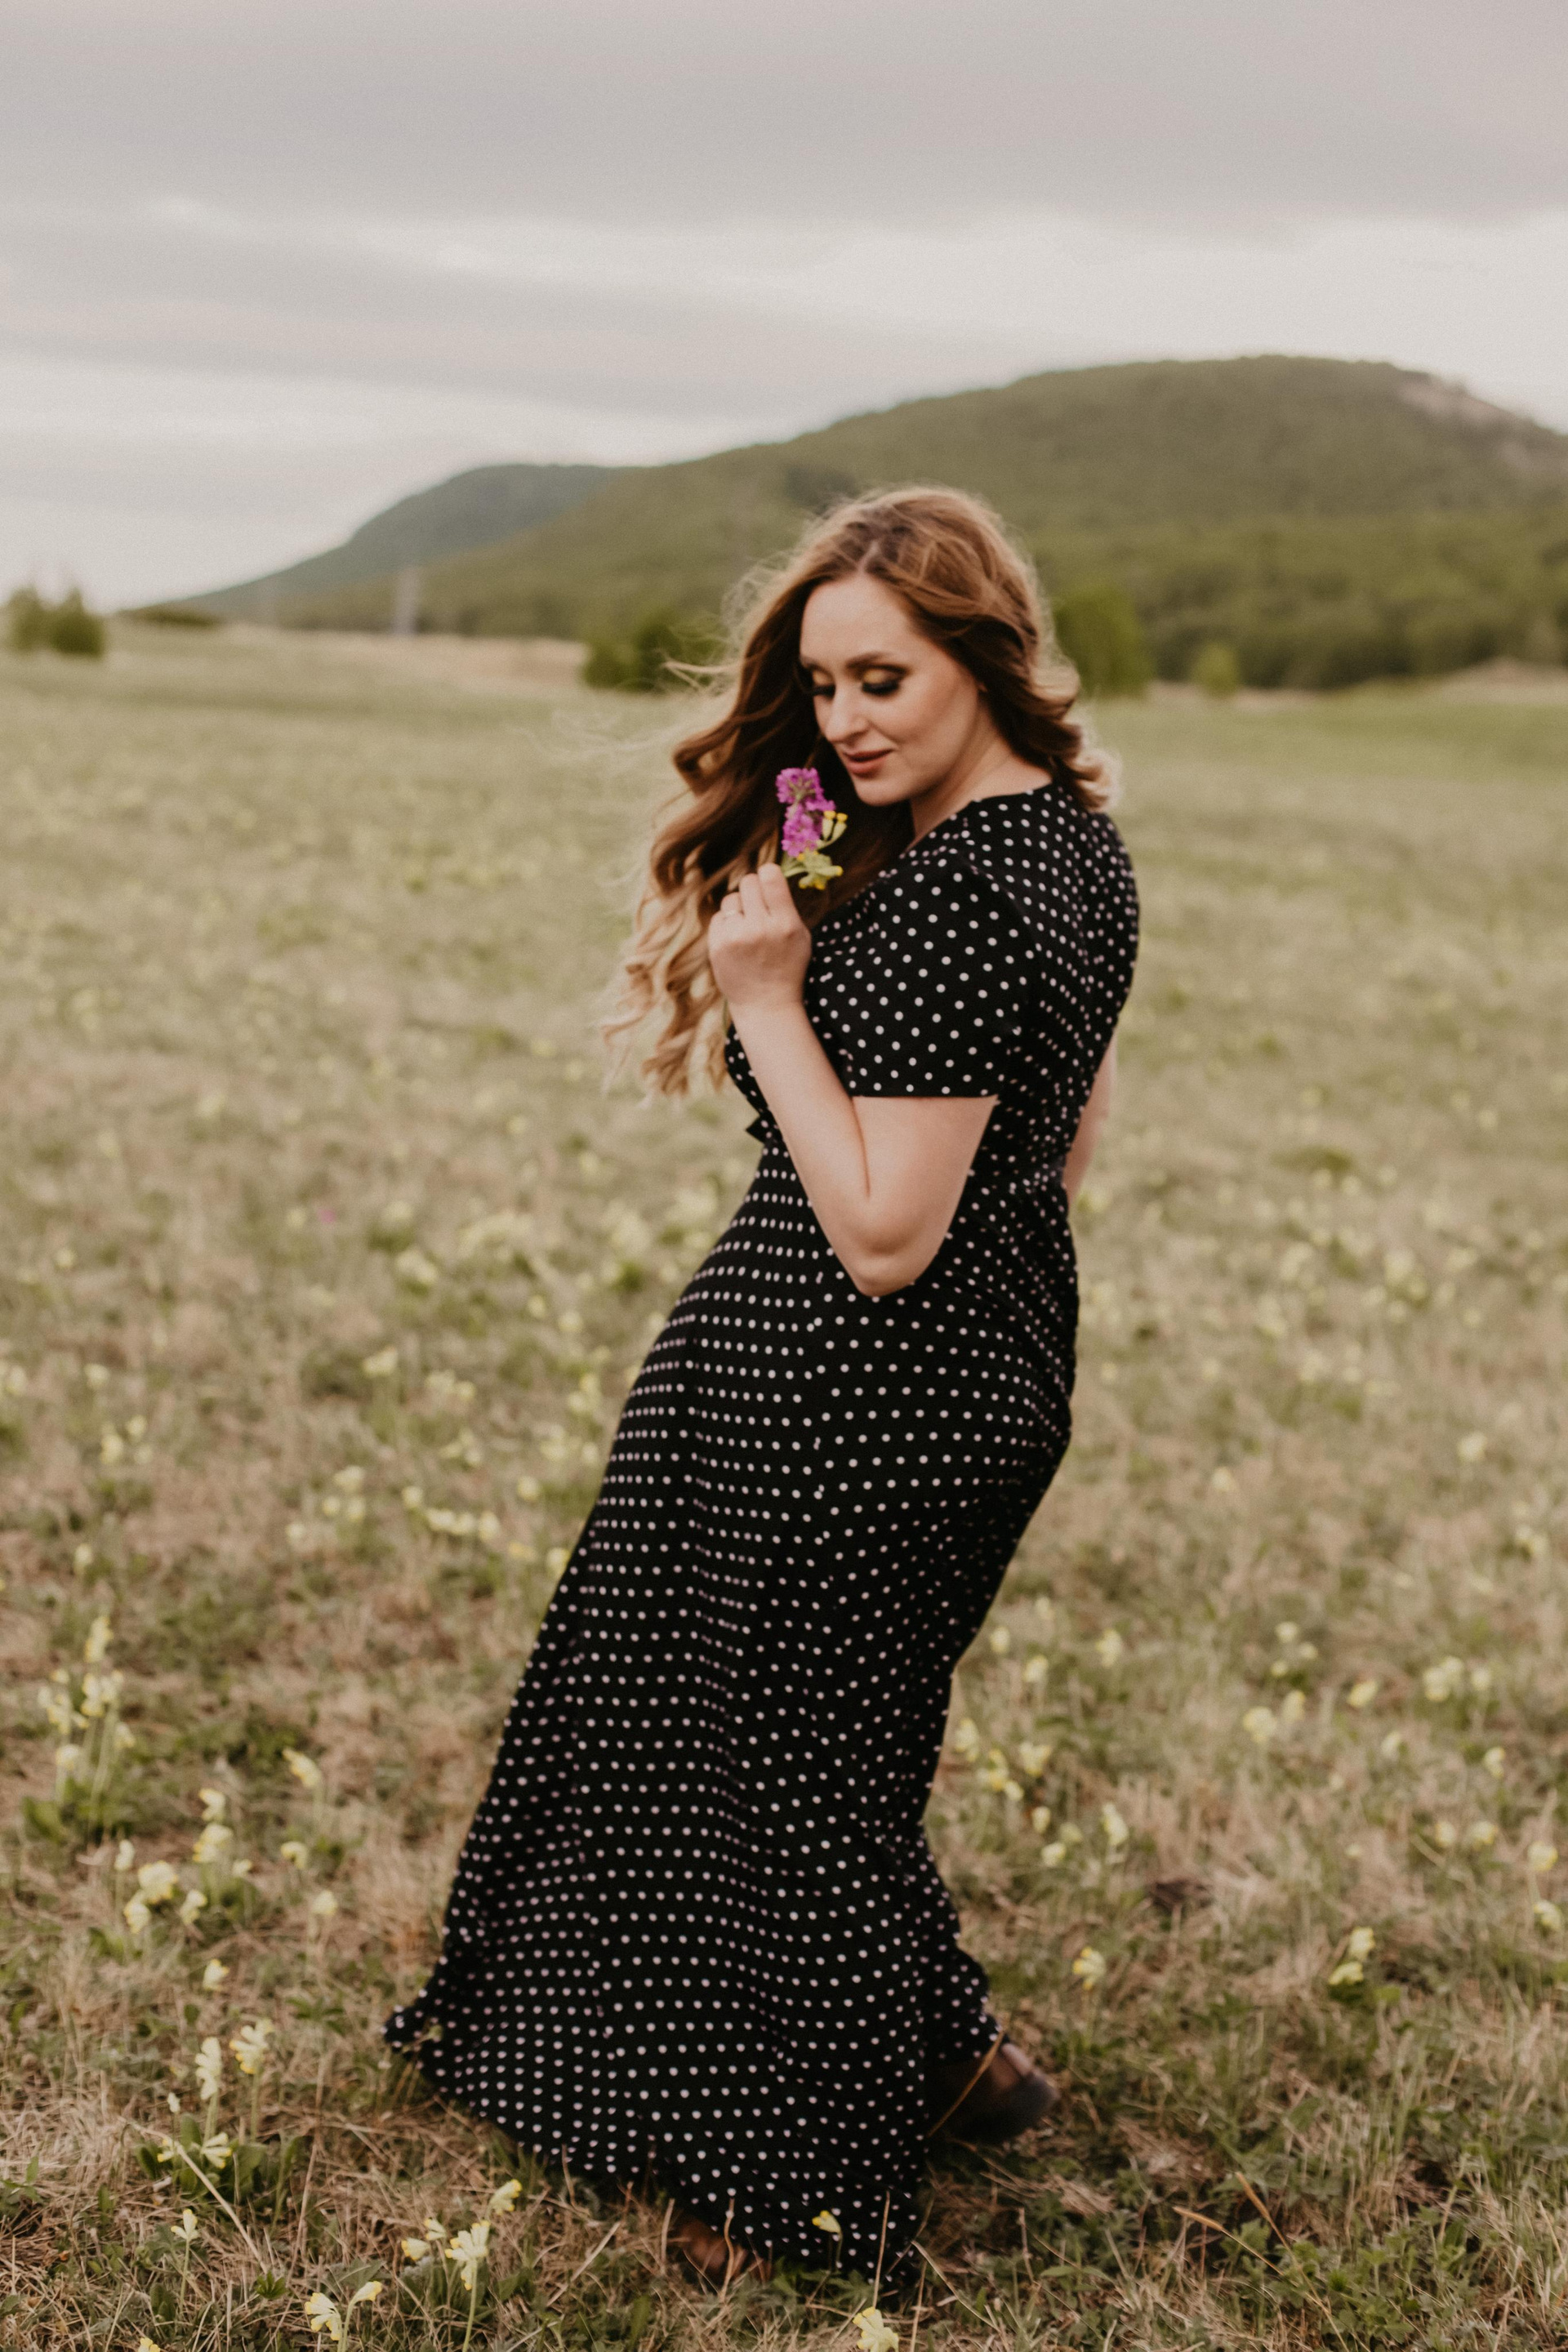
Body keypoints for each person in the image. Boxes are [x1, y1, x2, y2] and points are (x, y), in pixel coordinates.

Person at [385, 487, 1138, 2285]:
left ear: (985, 657)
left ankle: (788, 2173)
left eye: (886, 678)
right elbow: (1070, 1139)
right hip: (974, 1359)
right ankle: (956, 2062)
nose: (846, 719)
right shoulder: (1074, 845)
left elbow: (881, 1232)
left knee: (780, 1777)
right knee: (816, 1748)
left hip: (843, 1376)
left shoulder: (963, 898)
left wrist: (772, 997)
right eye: (823, 685)